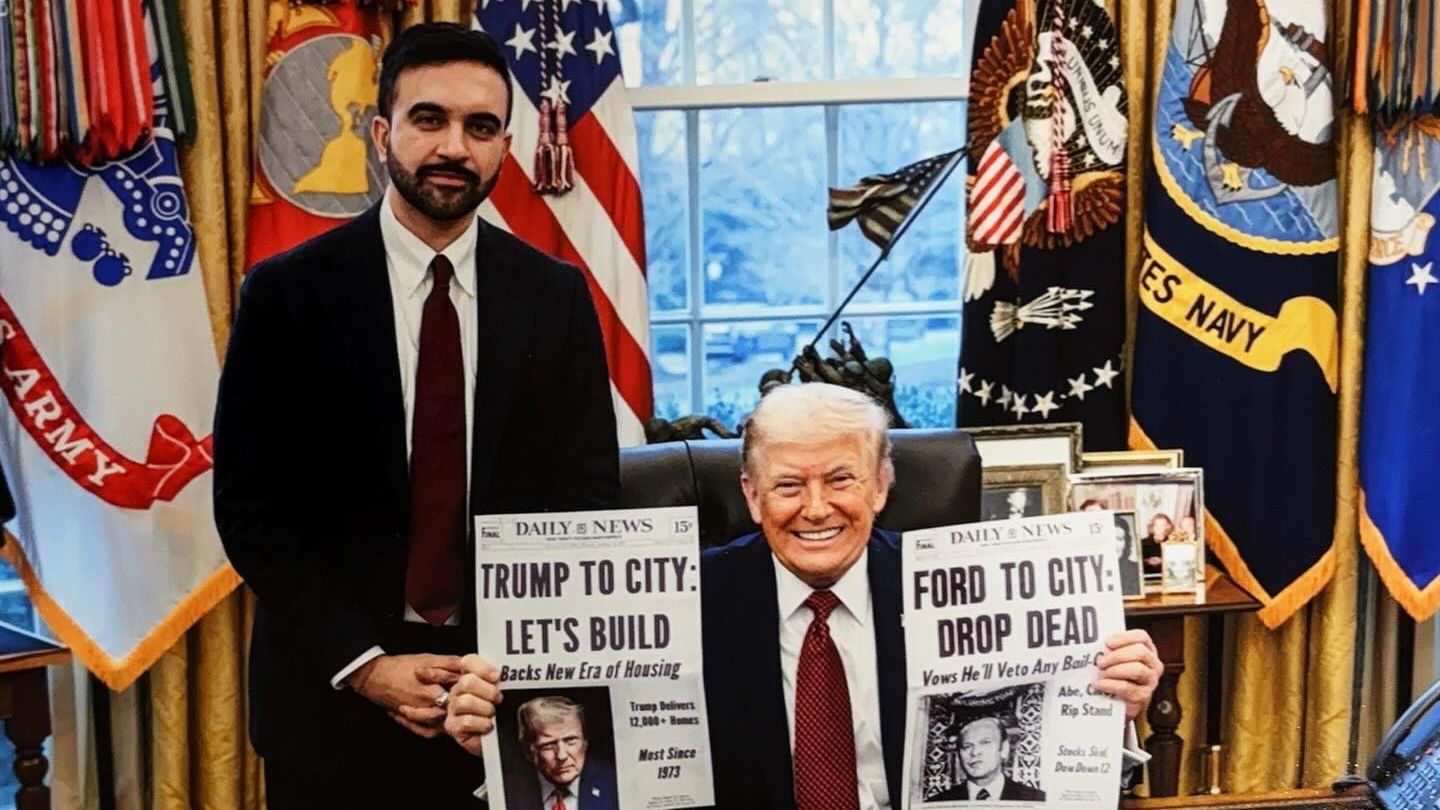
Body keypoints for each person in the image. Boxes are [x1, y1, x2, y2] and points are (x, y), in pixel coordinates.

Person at [212, 22, 619, 809]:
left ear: (504, 145)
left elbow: (586, 499)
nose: (453, 148)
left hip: (500, 699)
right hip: (328, 704)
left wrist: (509, 668)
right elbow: (252, 511)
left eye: (480, 126)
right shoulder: (286, 295)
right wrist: (365, 665)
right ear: (380, 133)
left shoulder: (556, 297)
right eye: (428, 119)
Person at [443, 384, 1162, 809]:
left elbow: (1045, 763)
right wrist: (493, 731)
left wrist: (1110, 706)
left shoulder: (963, 590)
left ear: (882, 486)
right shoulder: (679, 602)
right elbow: (580, 756)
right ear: (752, 496)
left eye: (841, 479)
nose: (816, 508)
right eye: (788, 485)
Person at [505, 696, 619, 810]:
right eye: (548, 745)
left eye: (570, 740)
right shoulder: (506, 791)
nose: (561, 756)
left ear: (585, 742)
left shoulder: (615, 781)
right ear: (528, 751)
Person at [927, 717, 1045, 802]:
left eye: (985, 743)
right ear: (958, 754)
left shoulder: (1037, 800)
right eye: (967, 746)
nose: (975, 752)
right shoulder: (937, 803)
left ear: (1004, 749)